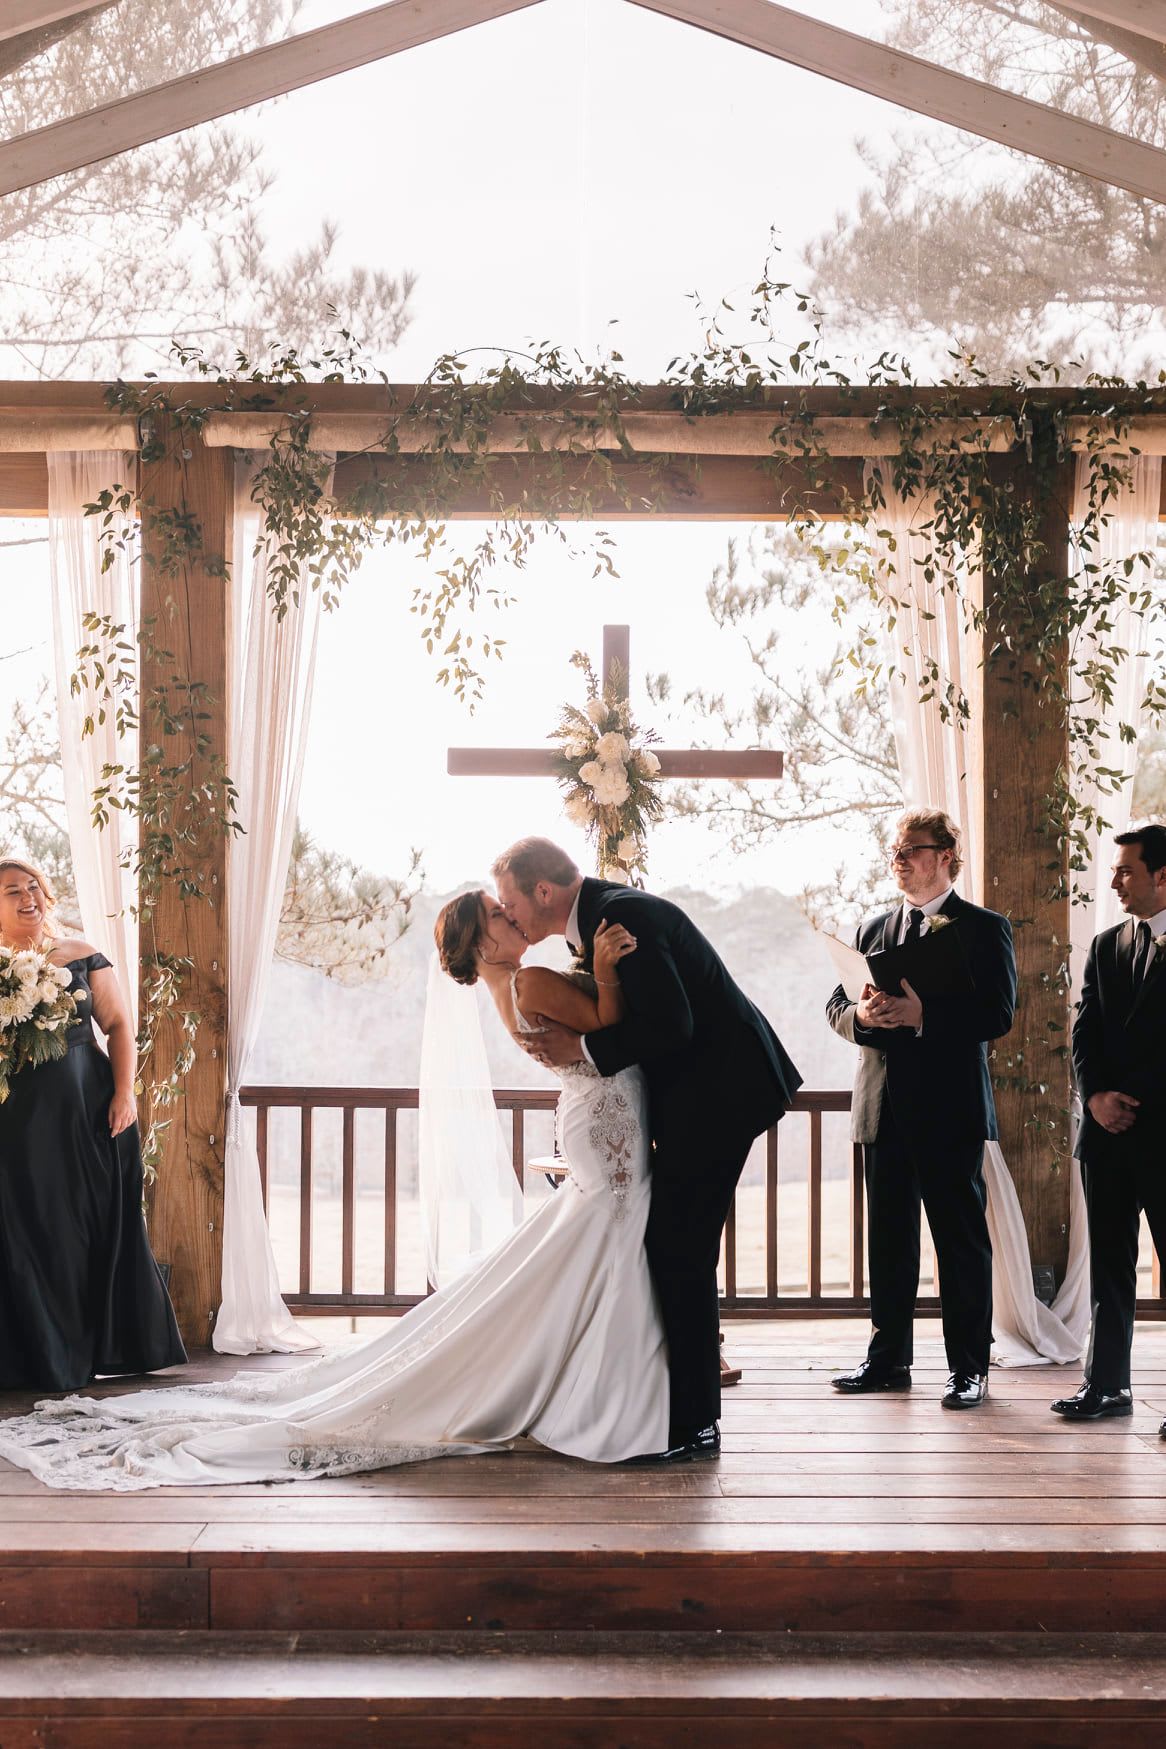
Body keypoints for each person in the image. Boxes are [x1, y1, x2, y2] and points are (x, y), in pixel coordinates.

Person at [0, 887, 669, 1488]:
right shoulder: (527, 982)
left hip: (597, 1123)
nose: (511, 915)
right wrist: (608, 972)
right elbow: (612, 1026)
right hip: (604, 1127)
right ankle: (611, 1397)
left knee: (579, 1254)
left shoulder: (516, 983)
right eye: (498, 913)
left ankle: (602, 1386)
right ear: (483, 941)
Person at [492, 837, 802, 1463]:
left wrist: (582, 1050)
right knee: (674, 1245)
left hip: (720, 1096)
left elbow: (672, 1024)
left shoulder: (619, 917)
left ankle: (694, 1424)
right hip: (700, 1096)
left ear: (543, 892)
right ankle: (675, 1410)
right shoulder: (600, 918)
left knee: (679, 1248)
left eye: (511, 902)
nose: (511, 915)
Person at [825, 808, 1016, 1410]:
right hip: (881, 1108)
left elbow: (998, 1013)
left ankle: (969, 1369)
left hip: (949, 1110)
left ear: (945, 856)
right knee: (888, 1241)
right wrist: (863, 1016)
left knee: (959, 1242)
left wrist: (923, 1015)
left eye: (911, 849)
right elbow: (835, 1006)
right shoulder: (872, 928)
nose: (899, 860)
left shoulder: (984, 928)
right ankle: (887, 1361)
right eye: (895, 851)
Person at [0, 857, 186, 1392]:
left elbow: (120, 1025)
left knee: (79, 1231)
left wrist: (125, 1093)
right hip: (16, 1125)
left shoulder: (79, 953)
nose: (28, 897)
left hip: (87, 1114)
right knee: (24, 1232)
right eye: (12, 891)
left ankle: (83, 1355)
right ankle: (36, 1360)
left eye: (33, 887)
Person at [1051, 824, 1166, 1433]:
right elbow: (1085, 1033)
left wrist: (1138, 1101)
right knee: (1109, 1268)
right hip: (1106, 1135)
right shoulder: (1105, 945)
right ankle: (1107, 1386)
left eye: (1126, 870)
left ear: (1162, 876)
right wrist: (1095, 1097)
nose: (1115, 880)